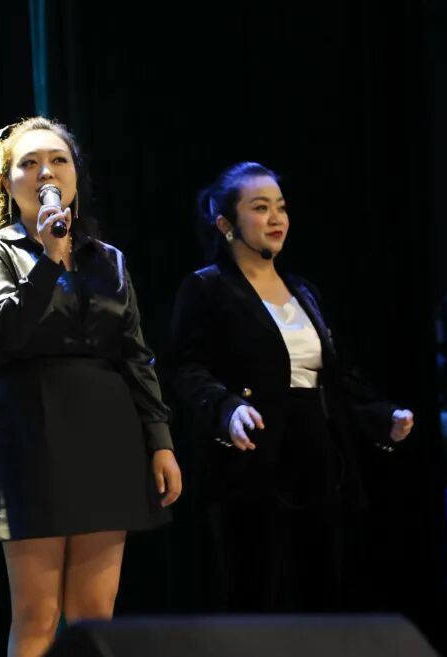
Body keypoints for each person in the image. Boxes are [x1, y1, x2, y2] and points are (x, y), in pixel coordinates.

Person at [0, 117, 182, 657]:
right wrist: (47, 258)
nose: (47, 172)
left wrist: (160, 441)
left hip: (106, 430)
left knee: (93, 614)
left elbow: (135, 353)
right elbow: (8, 331)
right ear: (7, 182)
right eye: (30, 163)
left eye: (58, 160)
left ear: (75, 176)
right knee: (37, 615)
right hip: (28, 428)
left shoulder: (108, 260)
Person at [168, 161, 413, 612]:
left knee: (321, 597)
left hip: (317, 459)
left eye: (280, 207)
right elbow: (186, 368)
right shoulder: (207, 288)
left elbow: (334, 375)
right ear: (226, 224)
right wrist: (226, 409)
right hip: (251, 463)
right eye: (260, 208)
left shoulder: (303, 291)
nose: (276, 218)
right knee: (254, 597)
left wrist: (382, 417)